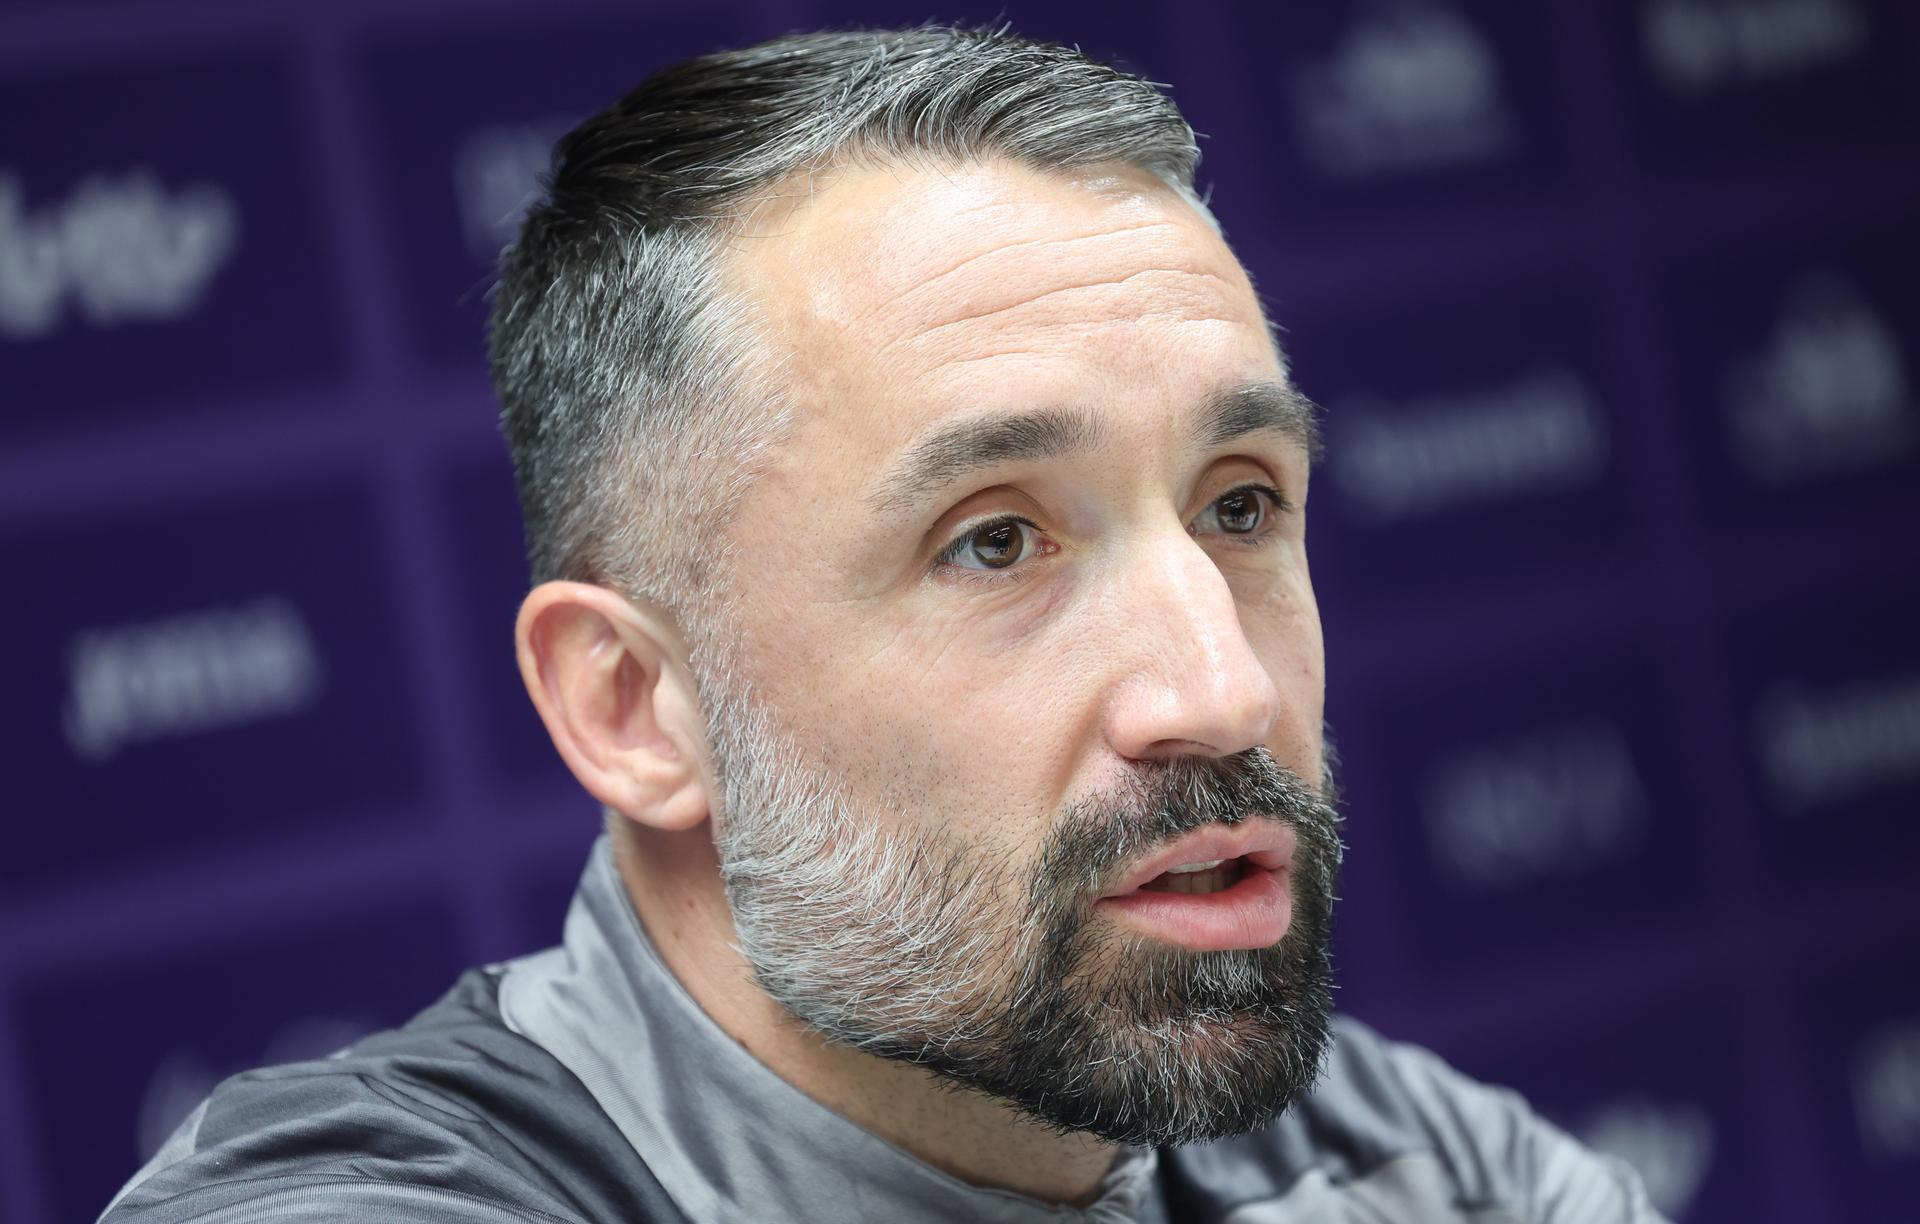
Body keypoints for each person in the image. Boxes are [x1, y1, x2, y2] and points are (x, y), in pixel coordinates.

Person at [102, 25, 1665, 1223]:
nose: (1222, 685)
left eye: (1240, 505)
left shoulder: (1433, 1174)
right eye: (996, 542)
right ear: (636, 706)